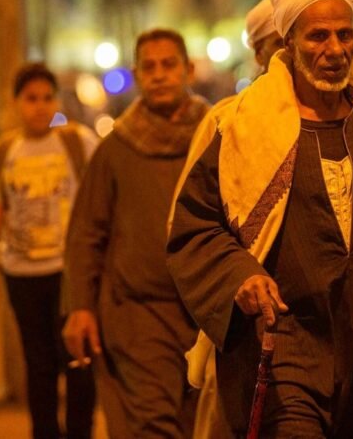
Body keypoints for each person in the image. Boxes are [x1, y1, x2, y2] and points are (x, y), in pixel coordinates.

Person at [167, 0, 353, 438]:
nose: (335, 49)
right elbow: (195, 227)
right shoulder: (242, 130)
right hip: (286, 352)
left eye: (344, 34)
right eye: (318, 37)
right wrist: (242, 275)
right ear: (288, 42)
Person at [63, 29, 210, 438]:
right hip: (138, 315)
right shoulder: (117, 149)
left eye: (169, 65)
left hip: (208, 315)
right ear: (137, 74)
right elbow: (86, 233)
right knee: (152, 423)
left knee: (200, 424)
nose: (160, 75)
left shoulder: (216, 137)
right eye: (150, 67)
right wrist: (81, 307)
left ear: (189, 70)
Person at [0, 63, 99, 439]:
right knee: (38, 365)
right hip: (22, 275)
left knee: (79, 362)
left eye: (47, 98)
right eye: (31, 99)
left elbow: (104, 201)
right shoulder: (4, 151)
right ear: (16, 103)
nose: (40, 106)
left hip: (70, 274)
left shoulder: (79, 142)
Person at [180, 0, 284, 439]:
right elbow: (192, 227)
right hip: (247, 327)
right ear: (259, 54)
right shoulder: (229, 123)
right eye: (276, 46)